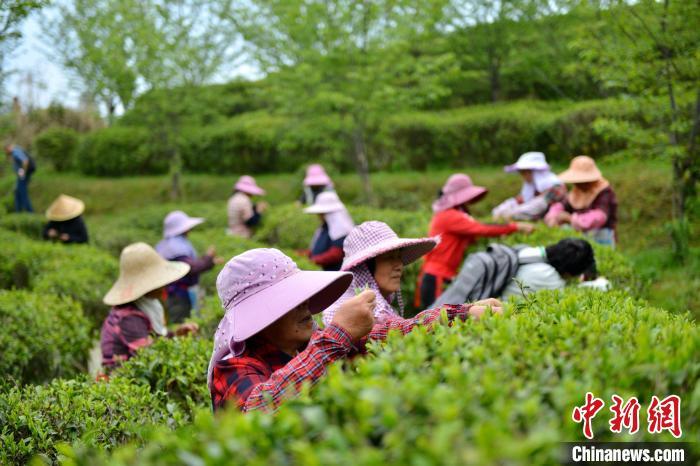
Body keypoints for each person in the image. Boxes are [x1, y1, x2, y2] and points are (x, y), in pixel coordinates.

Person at [208, 248, 502, 412]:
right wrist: (337, 335)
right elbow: (257, 410)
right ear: (260, 319)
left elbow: (396, 332)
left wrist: (462, 314)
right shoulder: (234, 368)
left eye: (301, 297)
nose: (306, 307)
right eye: (289, 301)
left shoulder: (307, 343)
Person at [418, 173, 534, 309]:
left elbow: (473, 235)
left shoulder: (452, 214)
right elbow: (482, 229)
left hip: (442, 275)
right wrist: (515, 227)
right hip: (437, 277)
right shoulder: (450, 216)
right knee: (436, 320)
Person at [100, 242, 198, 369]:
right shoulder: (129, 318)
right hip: (121, 378)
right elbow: (150, 358)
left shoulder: (147, 305)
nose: (164, 285)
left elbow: (154, 339)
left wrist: (175, 335)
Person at [323, 220, 438, 324]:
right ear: (365, 267)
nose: (399, 265)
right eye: (388, 258)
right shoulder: (355, 317)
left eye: (398, 257)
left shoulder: (380, 310)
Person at [431, 238, 600, 307]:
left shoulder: (528, 251)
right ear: (571, 270)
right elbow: (566, 300)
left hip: (462, 298)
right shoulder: (548, 276)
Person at [155, 211, 223, 323]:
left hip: (173, 293)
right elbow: (190, 267)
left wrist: (210, 260)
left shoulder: (167, 243)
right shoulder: (175, 246)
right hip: (177, 295)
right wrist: (208, 258)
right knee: (180, 323)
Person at [545, 156, 618, 247]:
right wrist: (553, 217)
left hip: (602, 238)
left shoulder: (604, 192)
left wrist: (570, 219)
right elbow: (562, 205)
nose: (577, 184)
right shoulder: (577, 191)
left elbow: (599, 217)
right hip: (583, 238)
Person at [491, 152, 566, 221]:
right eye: (521, 172)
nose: (522, 175)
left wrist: (510, 213)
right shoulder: (532, 187)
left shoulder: (556, 187)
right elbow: (519, 200)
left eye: (525, 172)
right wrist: (500, 209)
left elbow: (538, 206)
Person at [302, 191, 354, 271]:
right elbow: (318, 248)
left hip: (336, 274)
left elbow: (336, 254)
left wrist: (311, 261)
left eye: (322, 213)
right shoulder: (325, 227)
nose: (319, 216)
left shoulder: (341, 230)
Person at [5, 143, 33, 212]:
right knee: (17, 191)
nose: (6, 152)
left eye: (6, 150)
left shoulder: (15, 152)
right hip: (21, 176)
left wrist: (23, 173)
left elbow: (25, 161)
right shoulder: (16, 151)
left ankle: (30, 211)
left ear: (8, 148)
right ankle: (18, 211)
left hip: (22, 176)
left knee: (22, 192)